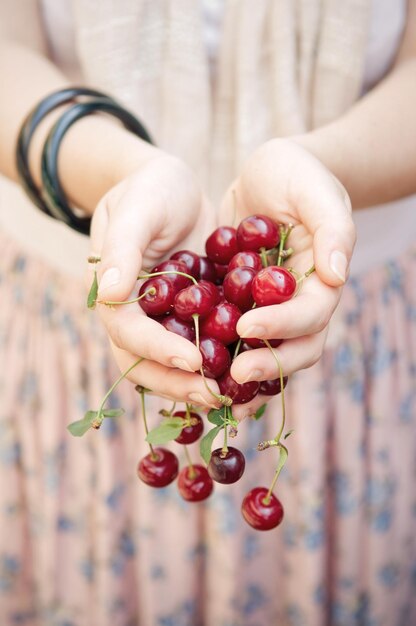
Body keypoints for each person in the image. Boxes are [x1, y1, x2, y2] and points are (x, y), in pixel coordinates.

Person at [0, 1, 415, 625]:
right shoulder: (184, 297)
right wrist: (120, 169)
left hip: (347, 330)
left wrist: (326, 170)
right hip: (82, 320)